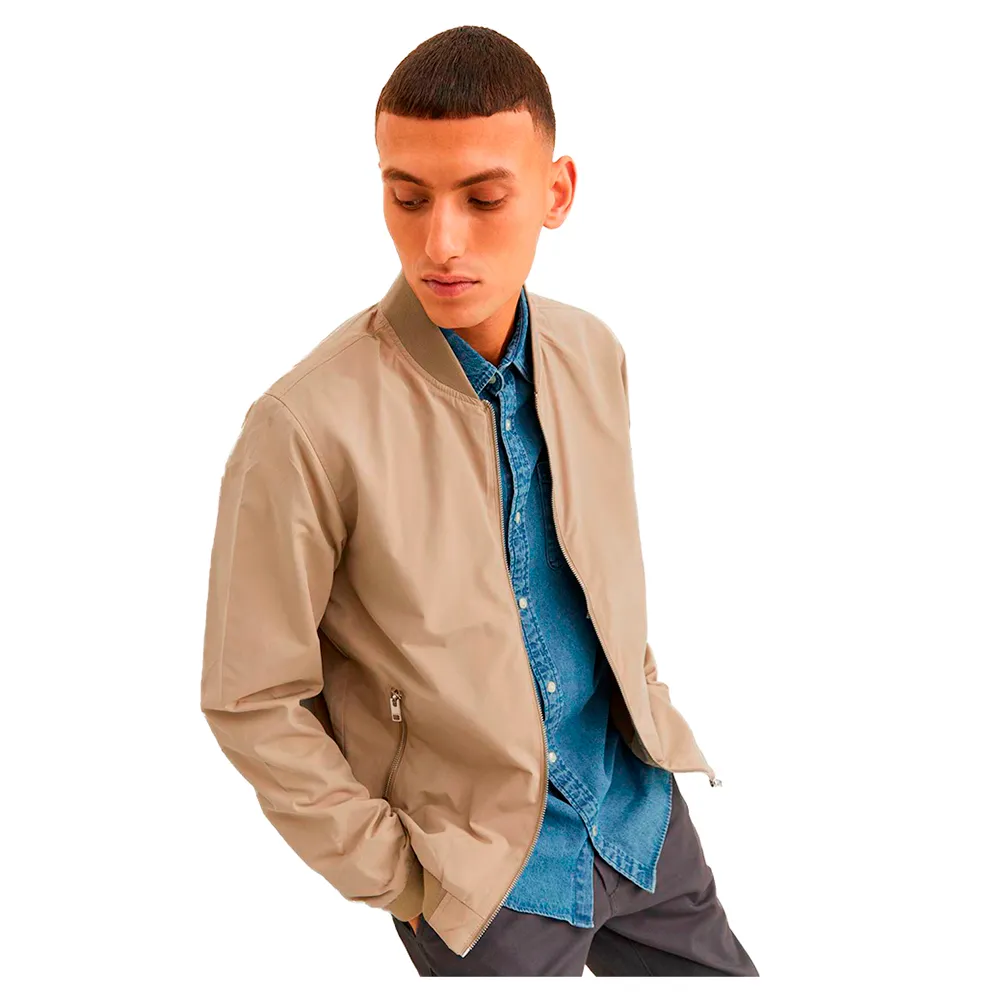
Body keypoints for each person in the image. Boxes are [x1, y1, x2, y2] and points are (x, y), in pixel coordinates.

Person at [200, 24, 759, 977]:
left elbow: (608, 583)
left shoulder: (592, 354)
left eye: (484, 198)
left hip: (637, 817)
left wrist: (651, 719)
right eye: (408, 197)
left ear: (556, 193)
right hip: (479, 875)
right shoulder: (302, 426)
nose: (441, 242)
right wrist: (400, 875)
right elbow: (250, 696)